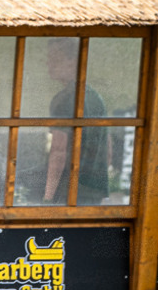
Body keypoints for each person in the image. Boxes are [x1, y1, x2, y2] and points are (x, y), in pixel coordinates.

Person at [42, 38, 109, 205]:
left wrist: (48, 197)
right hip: (94, 191)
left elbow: (58, 151)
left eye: (55, 58)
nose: (48, 64)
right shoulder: (96, 98)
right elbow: (108, 150)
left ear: (73, 62)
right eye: (48, 59)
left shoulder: (64, 100)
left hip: (68, 192)